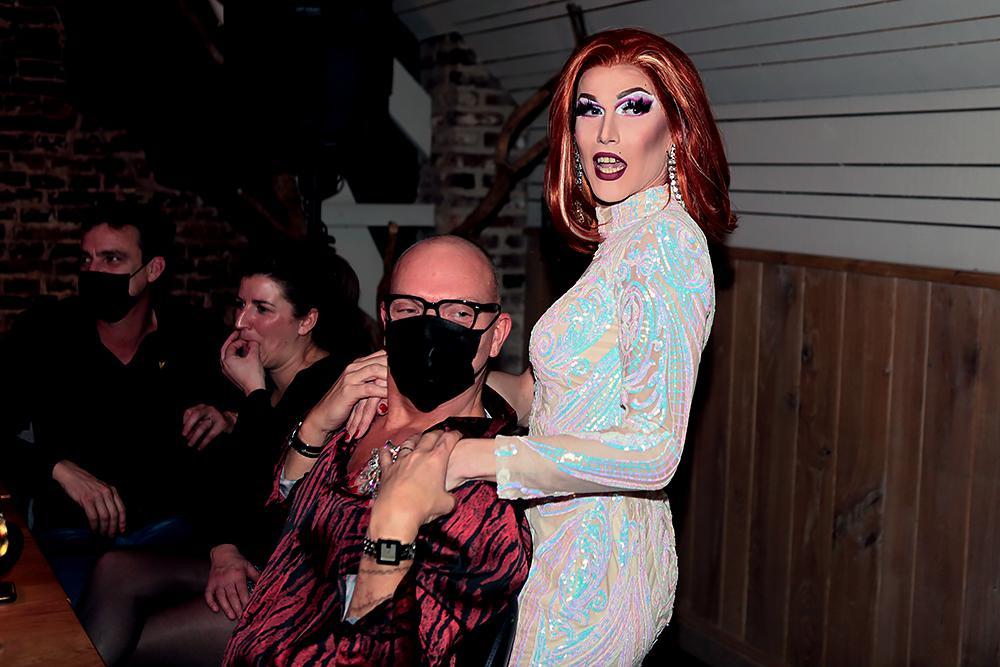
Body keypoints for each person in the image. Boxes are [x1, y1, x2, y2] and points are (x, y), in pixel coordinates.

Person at [352, 29, 737, 664]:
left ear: (675, 130)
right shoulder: (623, 244)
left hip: (598, 561)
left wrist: (469, 458)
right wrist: (416, 380)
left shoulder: (665, 245)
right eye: (589, 109)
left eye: (633, 107)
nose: (606, 133)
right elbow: (545, 395)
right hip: (556, 535)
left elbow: (654, 451)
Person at [224, 236, 532, 666]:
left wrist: (393, 529)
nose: (429, 326)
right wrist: (315, 425)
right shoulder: (355, 419)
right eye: (409, 309)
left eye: (458, 313)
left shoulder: (478, 482)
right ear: (386, 319)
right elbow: (278, 537)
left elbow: (389, 653)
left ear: (495, 335)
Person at [78, 241, 375, 666]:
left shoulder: (330, 385)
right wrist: (222, 547)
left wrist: (252, 397)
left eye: (262, 309)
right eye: (240, 305)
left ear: (307, 320)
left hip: (298, 585)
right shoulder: (256, 378)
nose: (241, 323)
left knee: (137, 644)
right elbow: (213, 490)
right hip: (249, 558)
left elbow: (271, 498)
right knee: (114, 569)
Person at [0, 202, 232, 605]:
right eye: (86, 259)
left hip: (170, 536)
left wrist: (230, 416)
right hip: (72, 537)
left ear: (153, 269)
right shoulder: (46, 333)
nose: (94, 272)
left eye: (112, 259)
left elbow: (263, 408)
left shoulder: (194, 335)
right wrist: (56, 468)